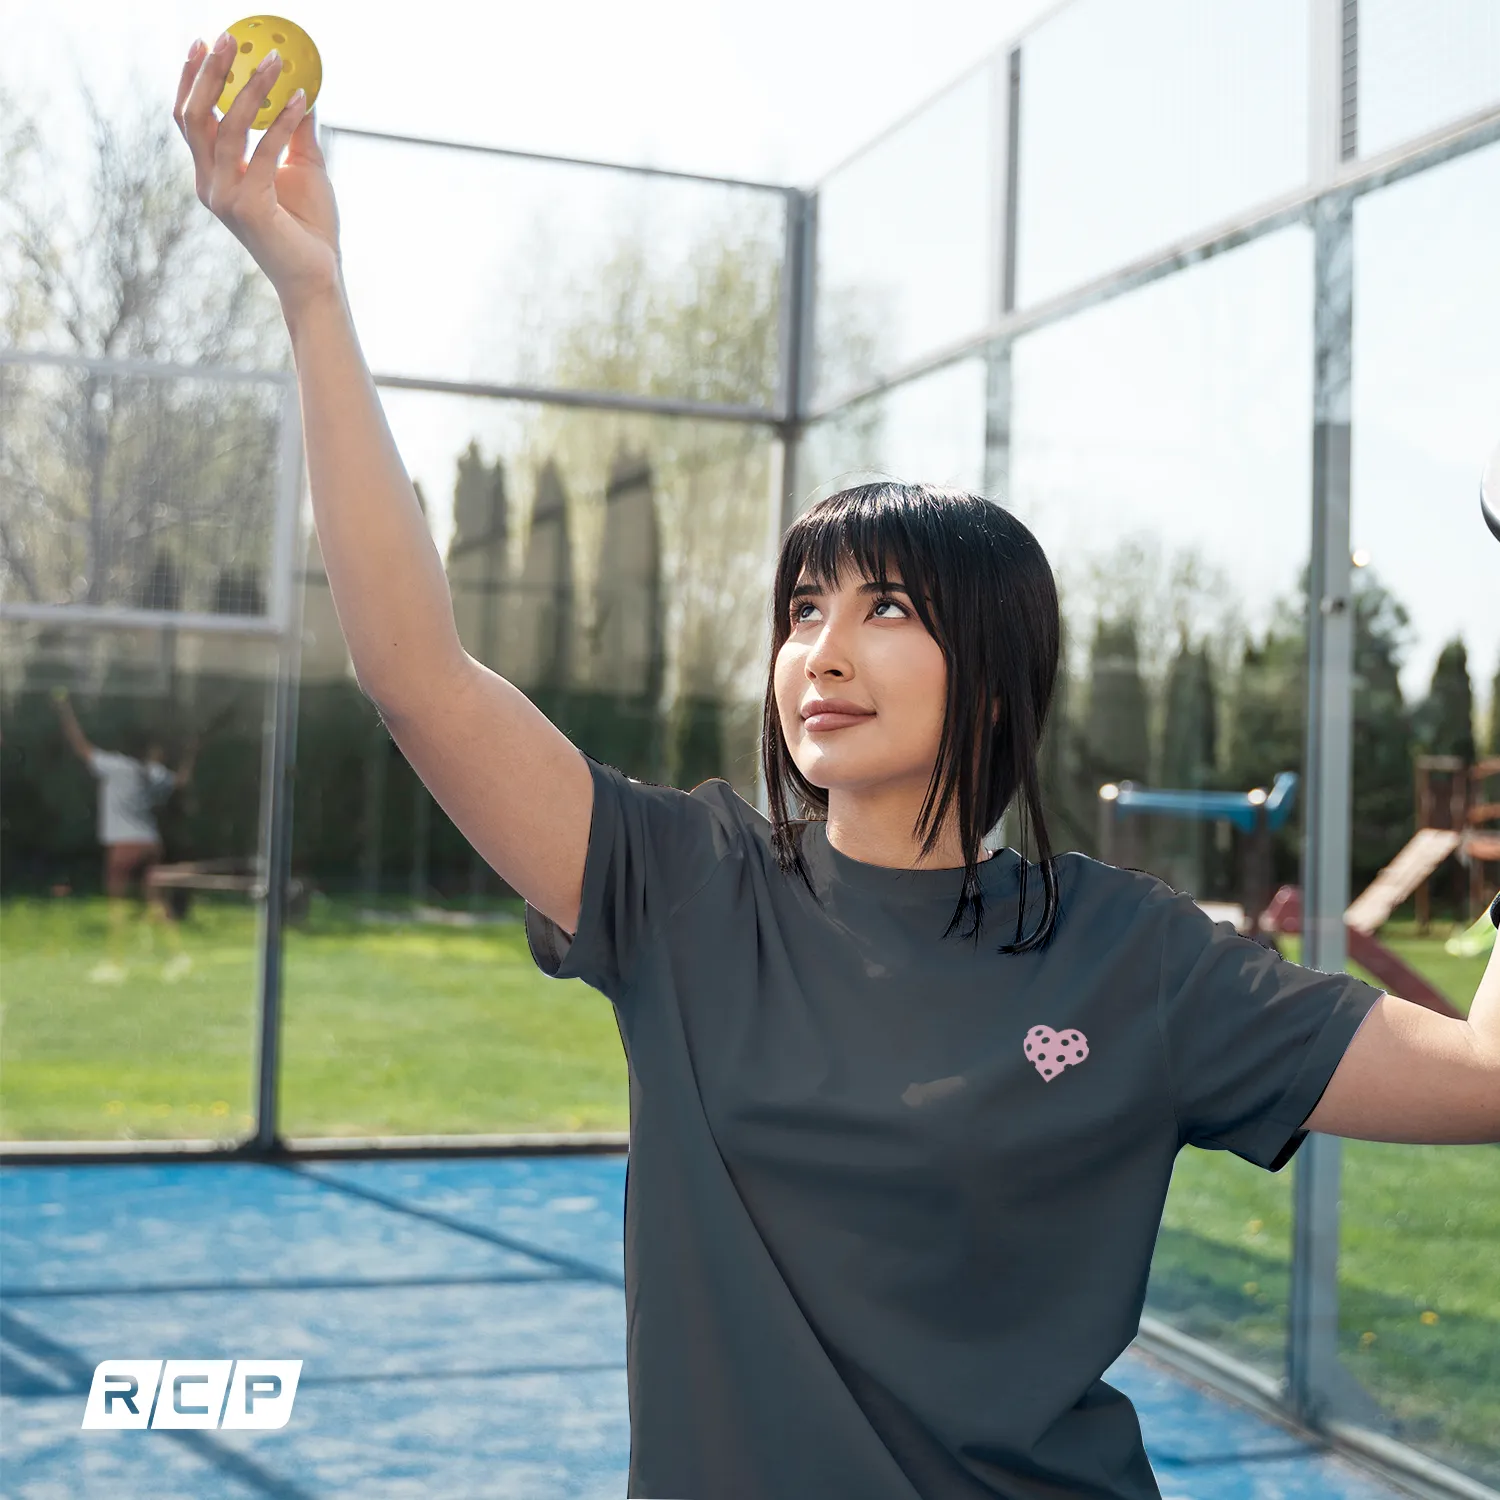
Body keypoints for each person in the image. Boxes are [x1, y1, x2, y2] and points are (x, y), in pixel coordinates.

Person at [174, 34, 1500, 1499]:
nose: (824, 648)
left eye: (887, 609)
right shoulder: (680, 887)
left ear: (993, 674)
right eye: (804, 608)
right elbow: (415, 675)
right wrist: (313, 294)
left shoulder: (1135, 959)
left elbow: (1487, 1077)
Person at [52, 688, 198, 983]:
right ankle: (177, 957)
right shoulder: (153, 772)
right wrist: (192, 753)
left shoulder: (114, 766)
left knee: (117, 906)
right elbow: (181, 782)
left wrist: (64, 708)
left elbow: (80, 746)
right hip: (150, 843)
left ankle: (115, 963)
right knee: (156, 902)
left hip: (123, 845)